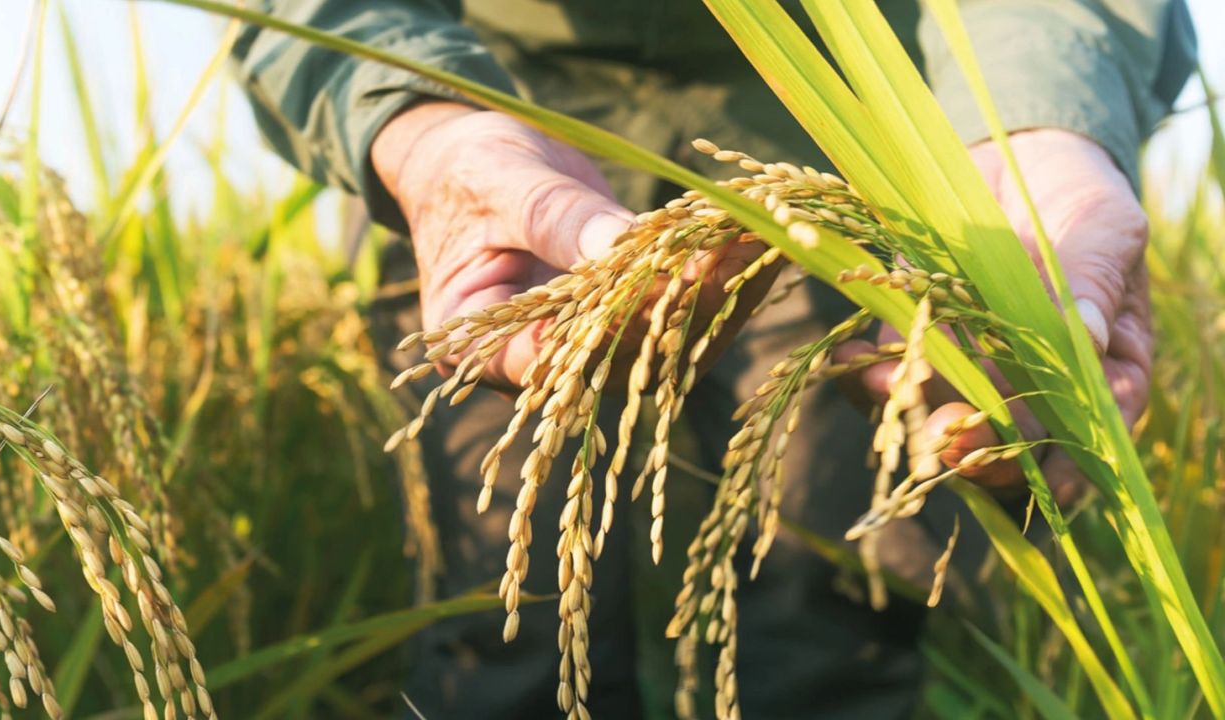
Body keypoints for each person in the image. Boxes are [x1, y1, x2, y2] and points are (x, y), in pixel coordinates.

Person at [231, 1, 1196, 717]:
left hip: (825, 124)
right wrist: (418, 121)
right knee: (501, 617)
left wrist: (1040, 128)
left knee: (829, 614)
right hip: (489, 112)